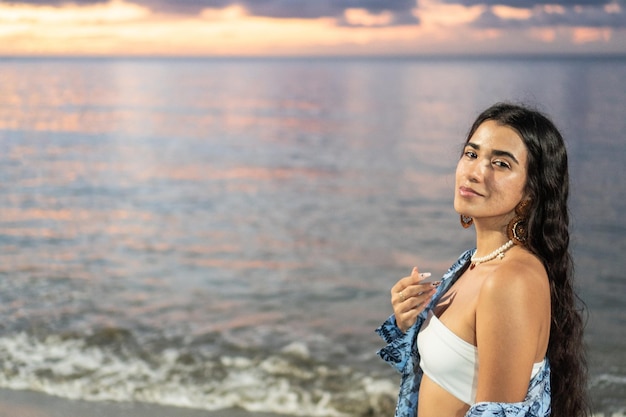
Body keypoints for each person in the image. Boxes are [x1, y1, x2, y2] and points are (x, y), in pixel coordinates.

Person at [376, 102, 589, 417]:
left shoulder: (510, 280)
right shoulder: (473, 263)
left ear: (531, 192)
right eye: (472, 154)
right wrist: (409, 321)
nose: (475, 172)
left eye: (501, 164)